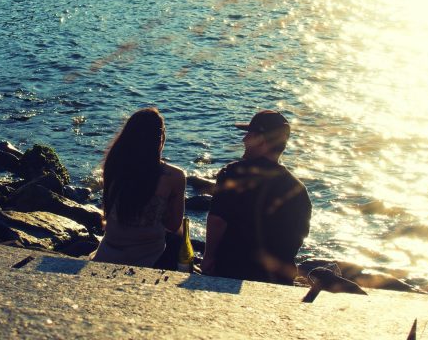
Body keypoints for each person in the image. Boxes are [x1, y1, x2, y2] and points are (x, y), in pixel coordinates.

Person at [201, 110, 311, 284]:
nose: (244, 140)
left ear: (261, 140)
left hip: (231, 272)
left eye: (249, 134)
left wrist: (208, 258)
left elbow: (217, 220)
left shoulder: (233, 173)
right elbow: (297, 239)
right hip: (277, 280)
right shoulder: (298, 190)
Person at [90, 107, 186, 267]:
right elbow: (173, 225)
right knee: (178, 238)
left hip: (108, 250)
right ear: (161, 138)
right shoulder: (174, 176)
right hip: (149, 255)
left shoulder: (114, 164)